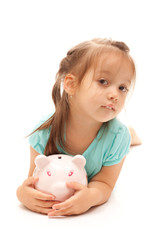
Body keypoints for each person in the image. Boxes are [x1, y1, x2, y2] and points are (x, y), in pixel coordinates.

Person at [16, 38, 141, 217]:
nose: (115, 95)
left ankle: (132, 134)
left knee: (126, 136)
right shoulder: (44, 132)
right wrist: (22, 193)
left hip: (118, 136)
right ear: (71, 84)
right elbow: (32, 180)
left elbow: (105, 183)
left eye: (122, 87)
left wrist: (90, 197)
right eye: (103, 81)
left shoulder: (117, 138)